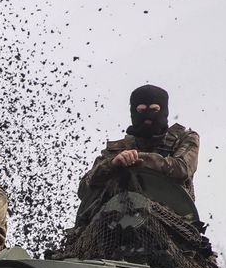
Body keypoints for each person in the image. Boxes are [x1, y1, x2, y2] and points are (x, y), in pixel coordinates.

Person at [75, 84, 199, 226]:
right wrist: (112, 164)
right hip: (116, 219)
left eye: (154, 110)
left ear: (164, 110)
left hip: (171, 218)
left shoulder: (184, 138)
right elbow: (84, 189)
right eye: (141, 110)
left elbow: (182, 169)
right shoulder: (117, 150)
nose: (147, 116)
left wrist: (138, 158)